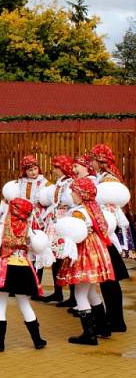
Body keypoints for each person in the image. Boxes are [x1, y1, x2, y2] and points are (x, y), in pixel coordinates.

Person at [0, 198, 49, 352]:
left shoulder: (1, 227)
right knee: (24, 303)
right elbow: (38, 248)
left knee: (1, 304)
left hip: (4, 268)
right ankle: (37, 340)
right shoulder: (29, 228)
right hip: (23, 268)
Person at [56, 177, 116, 345]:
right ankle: (103, 327)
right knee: (91, 291)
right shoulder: (95, 209)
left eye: (73, 191)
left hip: (84, 251)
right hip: (97, 249)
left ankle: (89, 335)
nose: (71, 194)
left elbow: (73, 234)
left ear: (81, 194)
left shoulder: (78, 212)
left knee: (80, 293)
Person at [88, 144, 130, 334]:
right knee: (108, 280)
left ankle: (116, 321)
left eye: (93, 160)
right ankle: (113, 319)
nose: (91, 163)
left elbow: (109, 207)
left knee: (110, 280)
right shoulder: (101, 178)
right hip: (104, 232)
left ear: (100, 161)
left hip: (107, 234)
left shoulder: (108, 180)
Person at [37, 155, 75, 303]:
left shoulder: (70, 183)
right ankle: (57, 291)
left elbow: (69, 201)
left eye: (57, 167)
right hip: (55, 220)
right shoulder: (60, 183)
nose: (54, 170)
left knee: (67, 256)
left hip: (64, 220)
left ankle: (72, 295)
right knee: (55, 256)